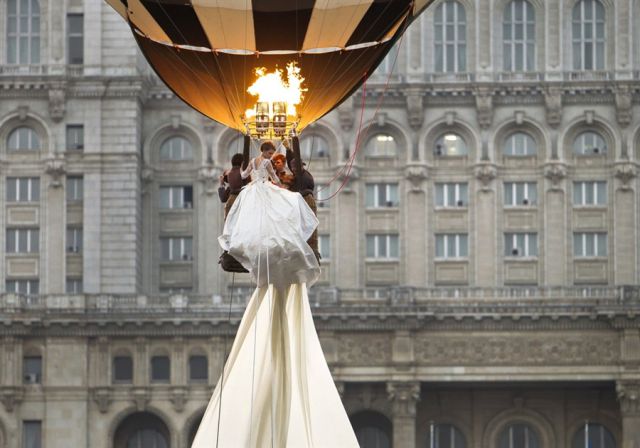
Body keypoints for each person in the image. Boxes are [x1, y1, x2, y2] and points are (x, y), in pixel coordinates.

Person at [192, 140, 358, 448]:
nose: (273, 162)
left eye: (277, 159)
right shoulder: (263, 176)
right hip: (272, 249)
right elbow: (242, 186)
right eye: (270, 157)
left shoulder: (294, 182)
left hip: (278, 251)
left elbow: (291, 189)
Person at [219, 153, 247, 219]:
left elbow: (223, 198)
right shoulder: (244, 174)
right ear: (242, 163)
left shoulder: (230, 177)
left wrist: (221, 184)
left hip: (230, 209)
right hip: (241, 207)